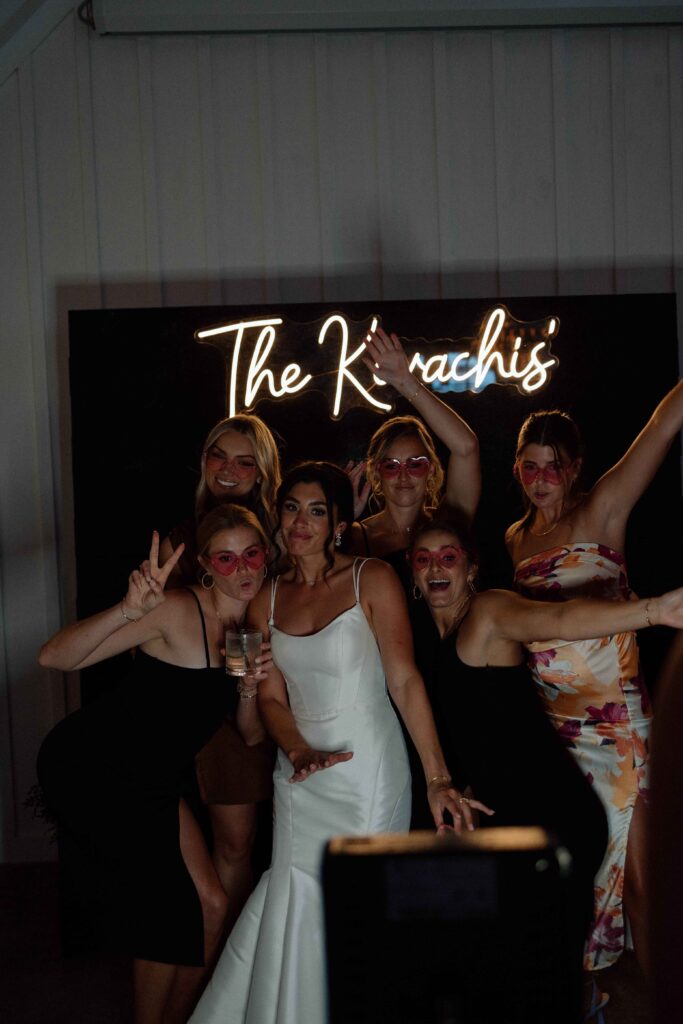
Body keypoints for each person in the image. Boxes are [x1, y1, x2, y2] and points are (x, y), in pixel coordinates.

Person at [190, 463, 489, 1024]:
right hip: (299, 775)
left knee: (361, 907)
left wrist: (438, 777)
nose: (301, 522)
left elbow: (404, 680)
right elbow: (268, 705)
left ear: (338, 522)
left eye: (317, 510)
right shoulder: (265, 600)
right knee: (295, 894)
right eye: (291, 508)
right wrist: (298, 751)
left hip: (368, 773)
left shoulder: (371, 577)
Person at [409, 516, 683, 1020]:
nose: (436, 567)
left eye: (449, 556)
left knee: (530, 971)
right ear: (413, 574)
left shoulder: (488, 614)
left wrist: (654, 611)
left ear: (471, 569)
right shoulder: (434, 640)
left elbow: (558, 621)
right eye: (423, 559)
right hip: (517, 820)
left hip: (558, 821)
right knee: (521, 970)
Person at [37, 506, 270, 1024]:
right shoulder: (173, 610)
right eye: (227, 559)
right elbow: (53, 657)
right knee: (169, 911)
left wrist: (250, 688)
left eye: (252, 554)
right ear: (207, 565)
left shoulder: (245, 625)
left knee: (212, 904)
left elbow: (250, 733)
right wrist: (128, 609)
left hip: (150, 780)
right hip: (94, 767)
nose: (243, 569)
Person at [505, 379, 683, 977]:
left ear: (575, 468)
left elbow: (661, 425)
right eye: (530, 467)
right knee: (580, 875)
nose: (540, 479)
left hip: (618, 728)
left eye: (553, 467)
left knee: (641, 881)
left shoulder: (602, 506)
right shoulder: (514, 539)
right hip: (556, 731)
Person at [160, 413, 281, 934]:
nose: (228, 469)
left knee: (251, 843)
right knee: (224, 846)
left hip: (276, 689)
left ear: (263, 472)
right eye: (218, 456)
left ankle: (237, 966)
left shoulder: (279, 534)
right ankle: (214, 972)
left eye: (244, 461)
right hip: (204, 704)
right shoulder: (180, 541)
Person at [349, 326, 480, 562]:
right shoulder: (355, 535)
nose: (403, 475)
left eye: (415, 464)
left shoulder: (449, 522)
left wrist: (405, 382)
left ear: (431, 469)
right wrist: (340, 519)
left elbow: (466, 447)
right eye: (391, 466)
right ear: (376, 472)